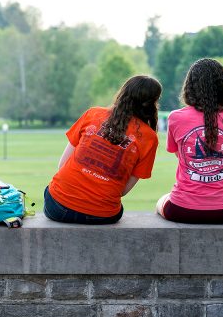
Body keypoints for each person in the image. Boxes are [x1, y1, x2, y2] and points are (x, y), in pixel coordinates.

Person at [44, 75, 162, 224]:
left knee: (52, 190)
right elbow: (123, 191)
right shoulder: (149, 137)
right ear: (153, 103)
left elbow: (62, 165)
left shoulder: (93, 114)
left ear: (123, 93)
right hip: (102, 215)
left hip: (58, 207)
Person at [156, 58, 223, 224]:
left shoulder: (175, 117)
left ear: (189, 87)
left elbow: (180, 156)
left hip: (182, 209)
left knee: (161, 201)